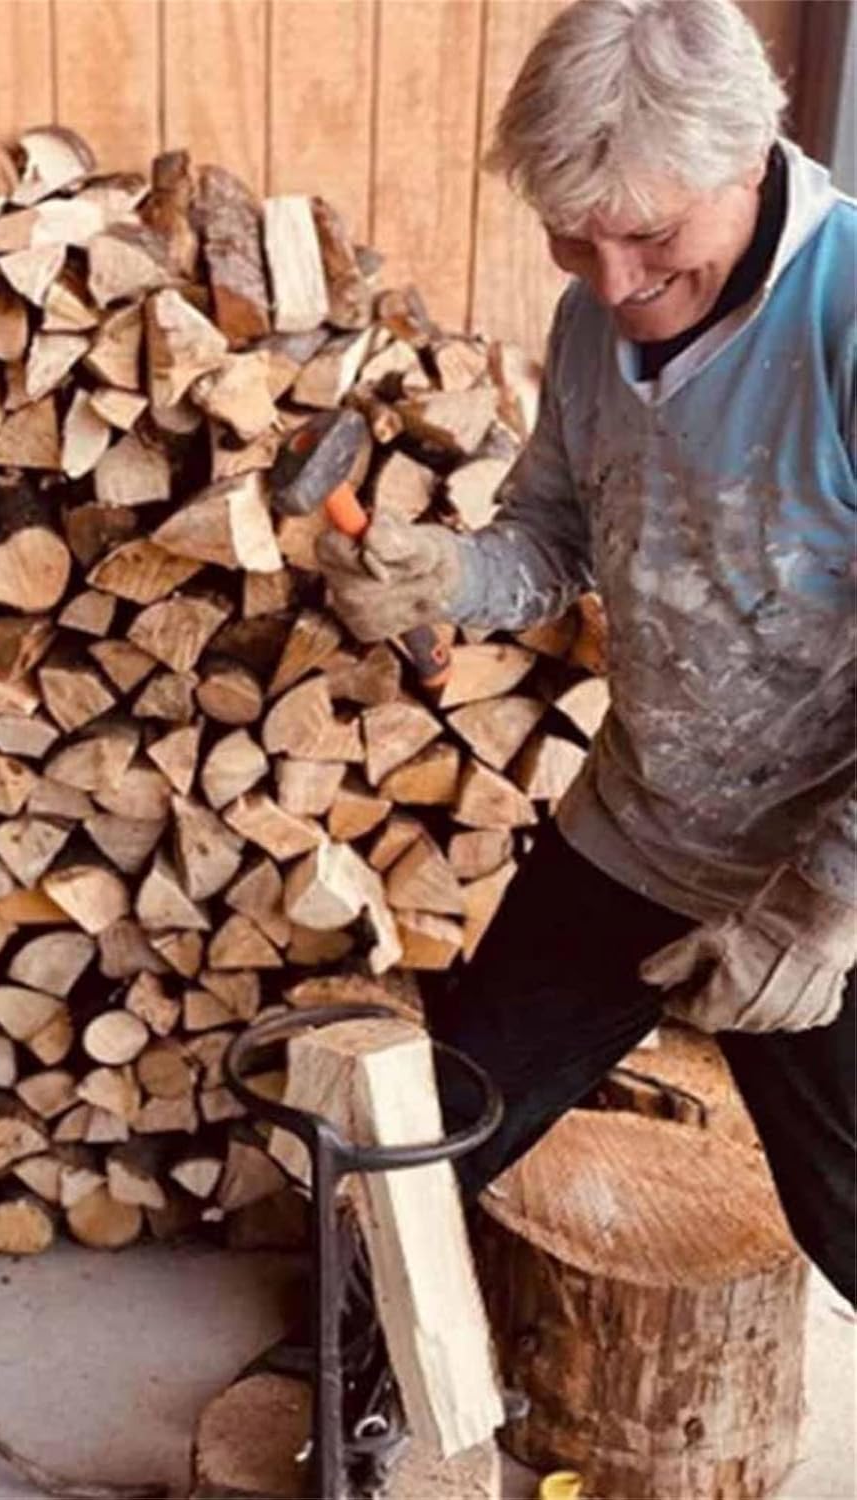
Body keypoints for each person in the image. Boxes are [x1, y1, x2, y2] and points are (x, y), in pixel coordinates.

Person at [319, 0, 854, 1302]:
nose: (611, 286)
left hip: (818, 859)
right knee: (437, 1132)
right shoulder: (592, 322)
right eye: (575, 238)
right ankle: (361, 1377)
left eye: (653, 238)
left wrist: (831, 904)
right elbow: (555, 538)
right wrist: (443, 570)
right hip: (640, 822)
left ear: (751, 156)